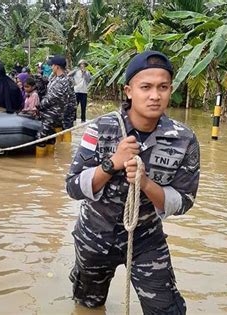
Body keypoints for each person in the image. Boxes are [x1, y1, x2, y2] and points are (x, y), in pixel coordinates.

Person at [65, 51, 200, 314]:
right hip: (94, 237)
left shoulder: (184, 139)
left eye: (163, 87)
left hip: (146, 239)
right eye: (145, 87)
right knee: (88, 306)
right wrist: (111, 164)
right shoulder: (100, 128)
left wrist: (146, 183)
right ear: (129, 91)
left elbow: (184, 201)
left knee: (167, 310)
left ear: (170, 90)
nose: (154, 95)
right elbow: (72, 186)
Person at [36, 55, 76, 155]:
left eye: (52, 66)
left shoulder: (62, 81)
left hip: (53, 114)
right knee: (50, 137)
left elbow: (51, 98)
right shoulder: (56, 78)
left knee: (41, 138)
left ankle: (39, 163)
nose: (51, 68)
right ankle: (49, 163)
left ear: (57, 67)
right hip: (54, 114)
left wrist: (38, 106)